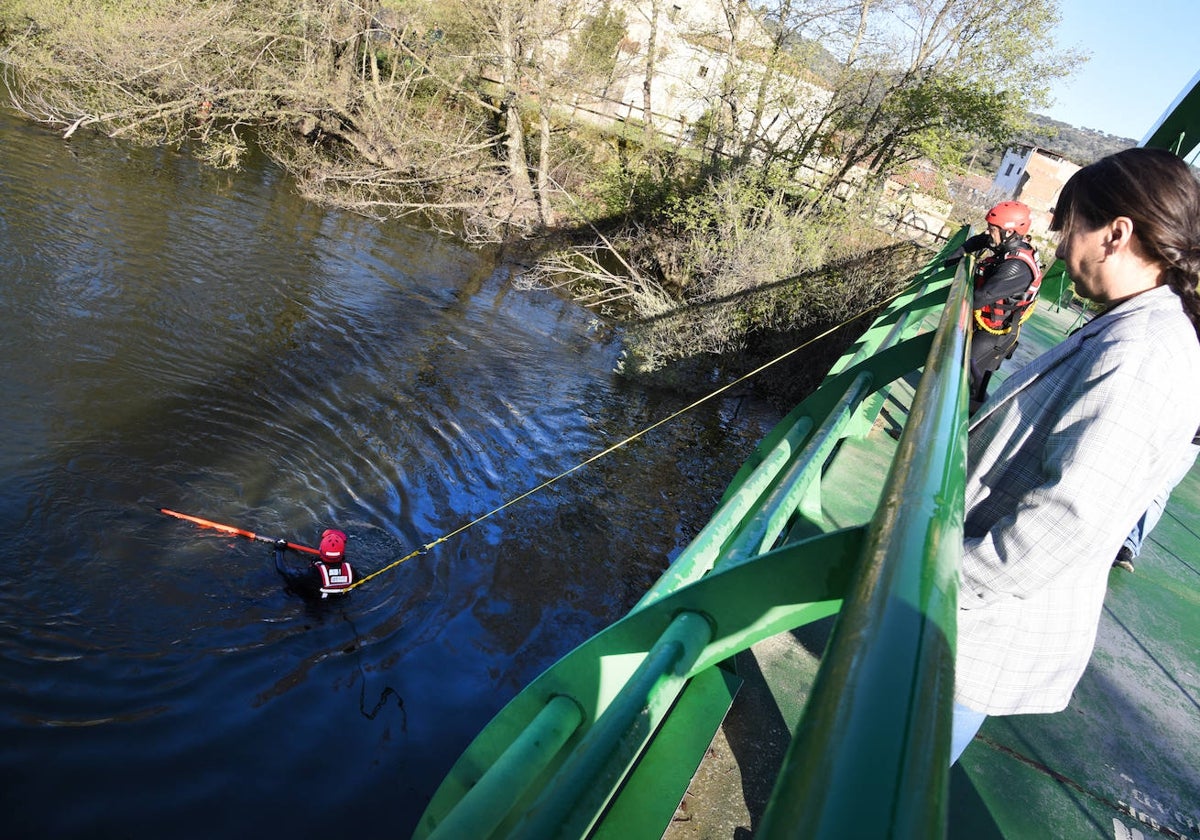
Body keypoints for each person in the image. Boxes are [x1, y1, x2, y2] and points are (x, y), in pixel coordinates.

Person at [950, 147, 1200, 764]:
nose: (1061, 245)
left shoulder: (1141, 349)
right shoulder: (1136, 325)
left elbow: (1064, 523)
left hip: (975, 622)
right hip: (975, 618)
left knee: (884, 786)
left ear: (1116, 234)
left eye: (1070, 227)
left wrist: (930, 584)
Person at [959, 201, 1043, 410]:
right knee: (971, 388)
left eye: (993, 229)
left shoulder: (1016, 266)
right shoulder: (1007, 246)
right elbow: (978, 241)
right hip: (987, 329)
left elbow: (980, 297)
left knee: (960, 378)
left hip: (995, 335)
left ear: (1010, 233)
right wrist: (954, 256)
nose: (989, 233)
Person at [1113, 428, 1200, 571]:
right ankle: (1127, 546)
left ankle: (1128, 547)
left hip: (1187, 437)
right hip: (1173, 426)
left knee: (1160, 489)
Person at [274, 528, 355, 598]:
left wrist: (279, 550)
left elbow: (282, 569)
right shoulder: (350, 570)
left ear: (320, 550)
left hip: (315, 604)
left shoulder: (313, 573)